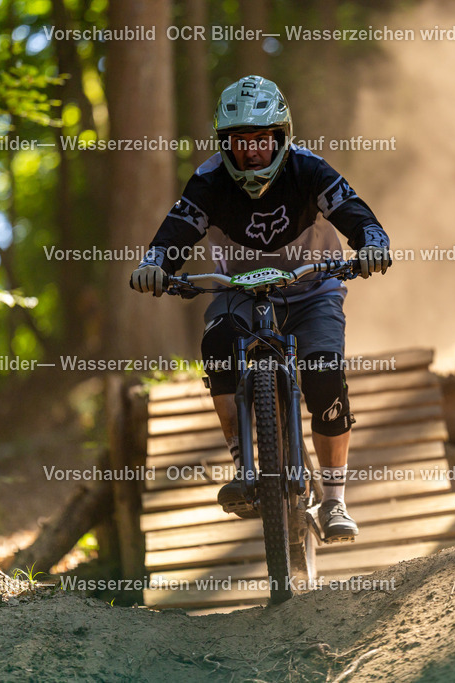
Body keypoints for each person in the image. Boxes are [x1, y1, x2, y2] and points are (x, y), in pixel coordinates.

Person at [130, 75, 391, 542]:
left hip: (312, 288)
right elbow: (175, 233)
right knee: (217, 345)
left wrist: (372, 241)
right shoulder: (209, 181)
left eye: (261, 141)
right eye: (239, 142)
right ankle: (242, 464)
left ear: (281, 138)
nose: (251, 152)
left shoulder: (309, 169)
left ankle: (334, 501)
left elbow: (354, 211)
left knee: (325, 372)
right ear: (224, 144)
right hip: (239, 291)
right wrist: (154, 264)